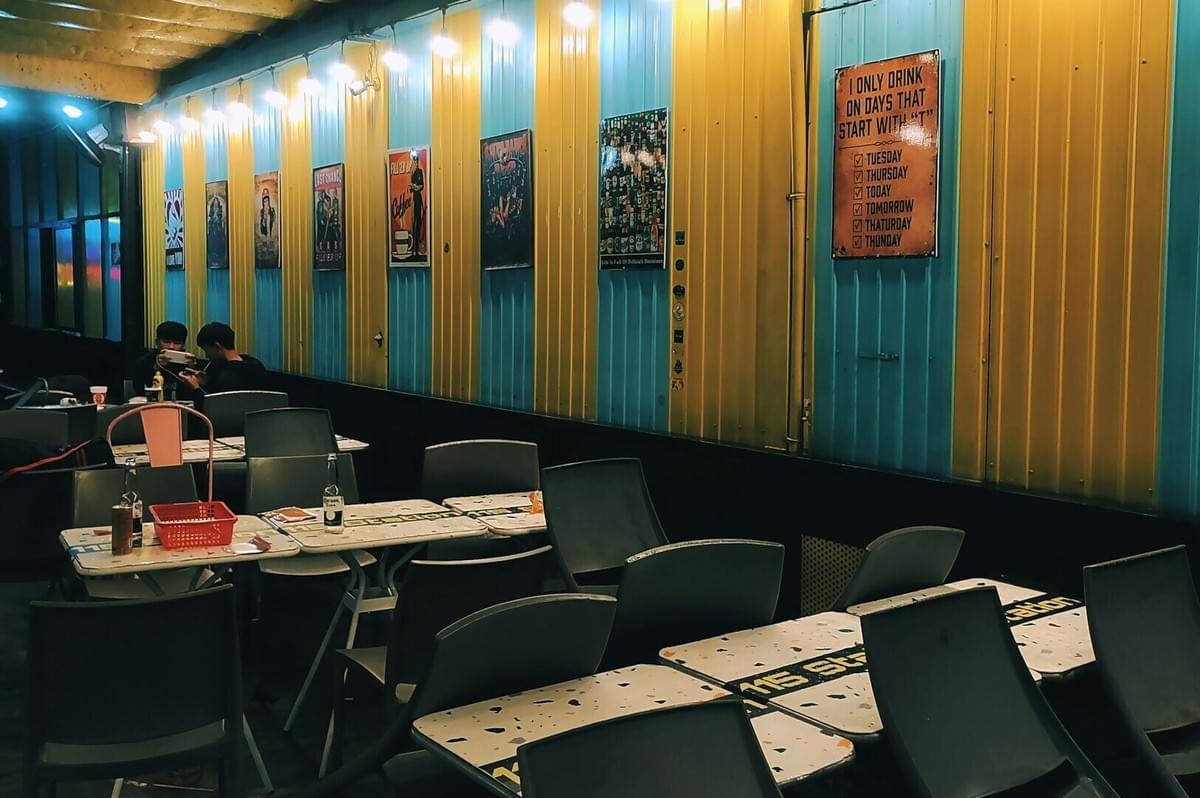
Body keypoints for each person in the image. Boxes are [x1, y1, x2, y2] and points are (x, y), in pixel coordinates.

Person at [179, 322, 267, 396]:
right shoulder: (255, 364)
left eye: (206, 350)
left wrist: (195, 388)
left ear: (217, 346)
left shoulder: (230, 375)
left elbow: (214, 408)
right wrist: (207, 382)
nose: (206, 355)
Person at [132, 321, 192, 399]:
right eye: (166, 342)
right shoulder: (144, 362)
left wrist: (192, 368)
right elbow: (140, 391)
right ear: (157, 342)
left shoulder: (188, 362)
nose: (171, 347)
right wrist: (157, 367)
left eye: (177, 343)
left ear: (183, 345)